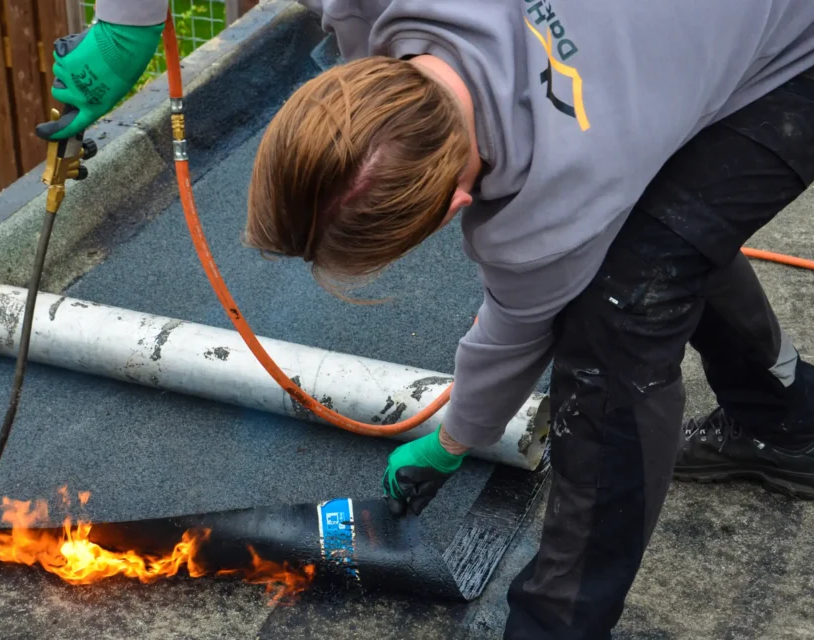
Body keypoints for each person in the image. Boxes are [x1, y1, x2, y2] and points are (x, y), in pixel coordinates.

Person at [44, 1, 814, 637]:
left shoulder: (558, 205)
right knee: (656, 240)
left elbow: (515, 334)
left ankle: (558, 626)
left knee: (627, 294)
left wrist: (453, 441)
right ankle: (787, 418)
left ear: (454, 205)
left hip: (792, 46)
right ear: (362, 74)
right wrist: (129, 22)